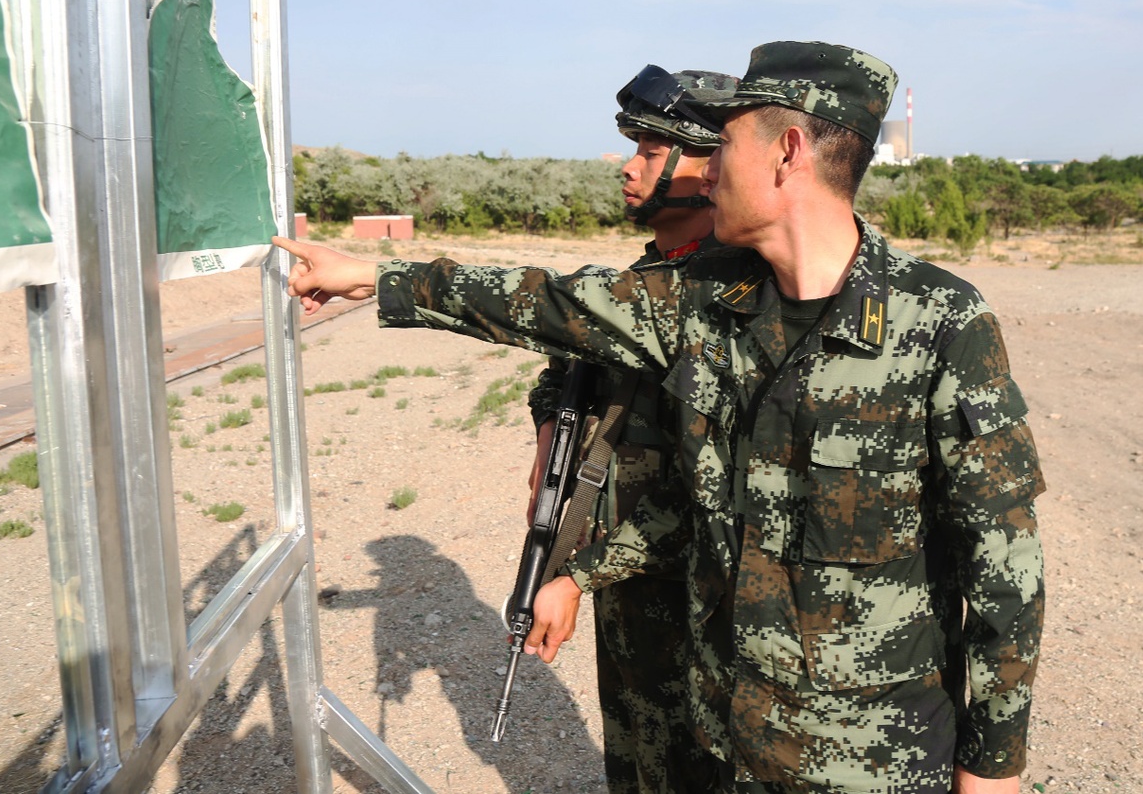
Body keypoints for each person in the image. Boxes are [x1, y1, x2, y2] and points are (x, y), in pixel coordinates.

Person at [272, 41, 1045, 794]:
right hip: (721, 738)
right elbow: (548, 303)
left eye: (727, 145)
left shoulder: (940, 321)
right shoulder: (701, 304)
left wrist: (993, 763)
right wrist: (375, 277)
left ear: (788, 152)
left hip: (866, 759)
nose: (710, 174)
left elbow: (1003, 566)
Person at [525, 66, 734, 794]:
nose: (627, 165)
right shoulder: (654, 271)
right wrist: (551, 430)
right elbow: (568, 363)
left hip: (690, 588)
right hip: (624, 579)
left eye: (650, 149)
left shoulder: (728, 299)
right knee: (636, 753)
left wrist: (580, 576)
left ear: (710, 168)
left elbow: (707, 492)